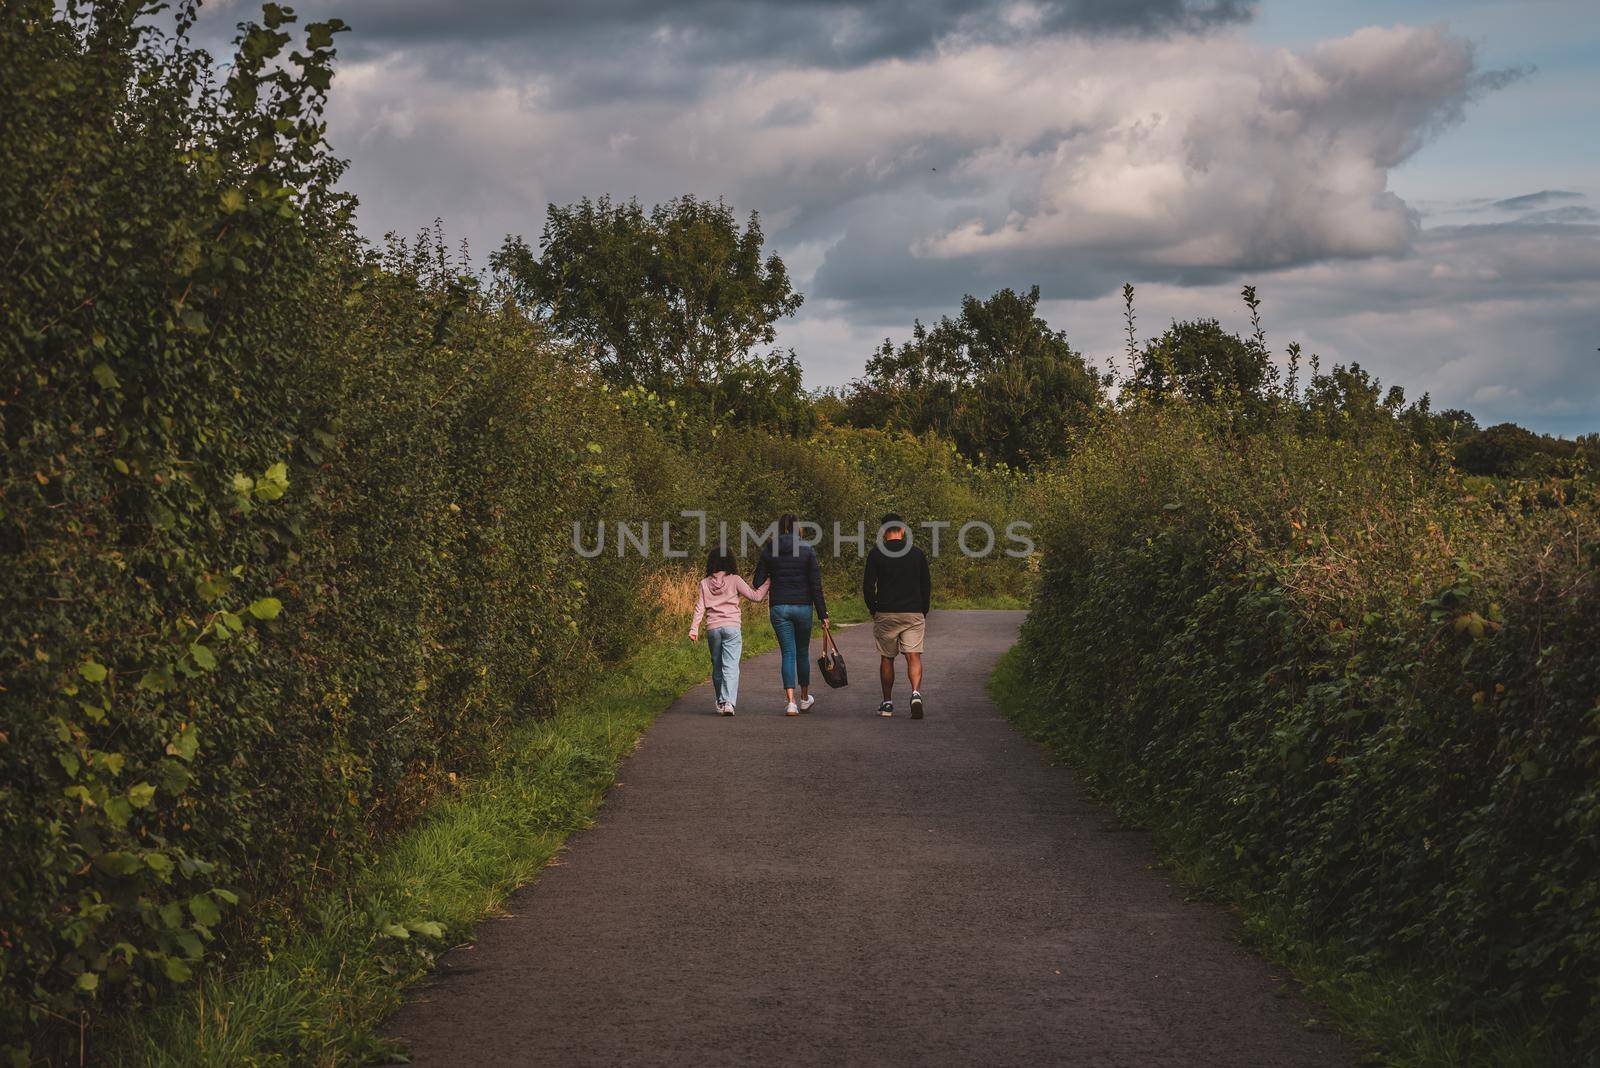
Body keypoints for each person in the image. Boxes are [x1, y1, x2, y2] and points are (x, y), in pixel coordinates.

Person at [753, 513, 829, 716]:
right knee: (802, 652)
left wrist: (773, 574)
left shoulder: (770, 549)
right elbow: (815, 585)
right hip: (803, 606)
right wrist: (823, 614)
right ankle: (804, 699)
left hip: (779, 607)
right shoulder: (807, 549)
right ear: (798, 528)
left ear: (779, 528)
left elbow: (757, 581)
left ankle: (791, 703)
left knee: (788, 653)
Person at [862, 512, 930, 718]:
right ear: (902, 530)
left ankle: (887, 703)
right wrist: (923, 609)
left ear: (884, 532)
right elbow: (926, 586)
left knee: (887, 658)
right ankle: (916, 693)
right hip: (913, 612)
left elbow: (868, 586)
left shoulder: (876, 554)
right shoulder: (917, 554)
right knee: (913, 655)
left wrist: (873, 609)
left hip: (886, 612)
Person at [689, 550, 768, 716]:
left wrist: (694, 629)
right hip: (732, 627)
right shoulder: (735, 580)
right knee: (730, 666)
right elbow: (755, 596)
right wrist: (769, 581)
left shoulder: (704, 583)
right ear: (731, 562)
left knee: (717, 667)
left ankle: (720, 701)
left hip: (713, 628)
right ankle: (729, 703)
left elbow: (699, 607)